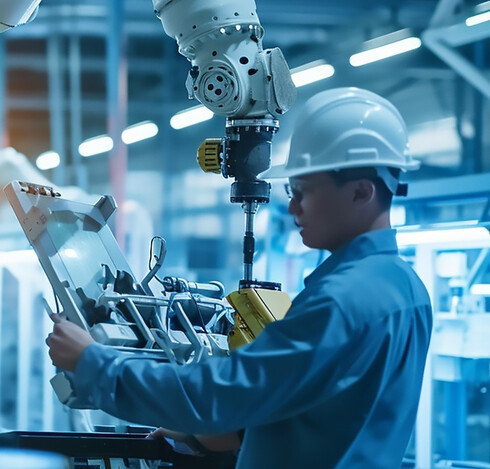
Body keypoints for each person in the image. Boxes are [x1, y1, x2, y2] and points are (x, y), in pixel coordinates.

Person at [46, 87, 432, 468]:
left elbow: (223, 392)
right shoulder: (406, 287)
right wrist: (224, 436)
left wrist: (94, 362)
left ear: (361, 193)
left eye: (303, 190)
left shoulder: (341, 301)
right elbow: (332, 410)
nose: (293, 206)